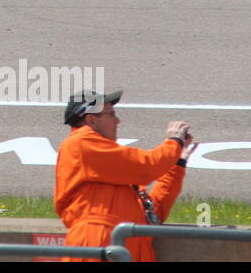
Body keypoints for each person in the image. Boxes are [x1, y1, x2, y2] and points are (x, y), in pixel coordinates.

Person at [53, 89, 192, 262]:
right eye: (111, 115)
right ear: (91, 119)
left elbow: (153, 213)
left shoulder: (114, 170)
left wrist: (176, 165)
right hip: (100, 243)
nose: (117, 121)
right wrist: (174, 142)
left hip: (128, 247)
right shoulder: (81, 143)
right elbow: (146, 167)